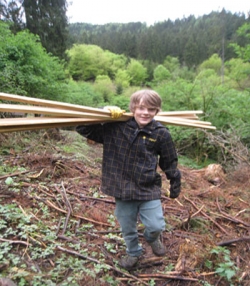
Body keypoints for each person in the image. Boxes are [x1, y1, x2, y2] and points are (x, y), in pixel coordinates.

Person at [76, 89, 181, 270]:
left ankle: (152, 238)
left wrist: (175, 181)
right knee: (127, 226)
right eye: (141, 108)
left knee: (156, 225)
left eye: (151, 109)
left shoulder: (161, 133)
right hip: (121, 187)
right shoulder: (115, 127)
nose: (145, 113)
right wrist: (103, 111)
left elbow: (169, 160)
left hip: (147, 187)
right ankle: (133, 252)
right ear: (133, 108)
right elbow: (82, 127)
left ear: (157, 111)